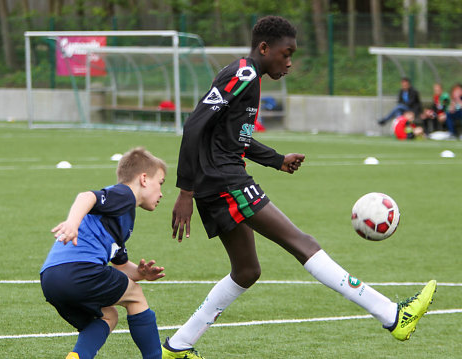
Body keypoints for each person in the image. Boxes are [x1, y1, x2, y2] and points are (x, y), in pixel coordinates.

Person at [163, 16, 437, 359]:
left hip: (220, 181)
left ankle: (178, 346)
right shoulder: (244, 74)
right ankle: (392, 315)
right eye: (285, 53)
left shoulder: (250, 77)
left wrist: (276, 159)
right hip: (224, 182)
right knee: (303, 243)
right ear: (264, 48)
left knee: (247, 271)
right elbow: (194, 125)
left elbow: (236, 138)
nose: (289, 62)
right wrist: (185, 191)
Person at [40, 147, 166, 359]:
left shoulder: (123, 218)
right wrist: (72, 222)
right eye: (160, 183)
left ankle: (78, 356)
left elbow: (120, 266)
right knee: (135, 296)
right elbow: (86, 197)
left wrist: (141, 273)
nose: (161, 192)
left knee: (107, 316)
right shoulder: (125, 194)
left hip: (51, 278)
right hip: (80, 269)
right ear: (144, 179)